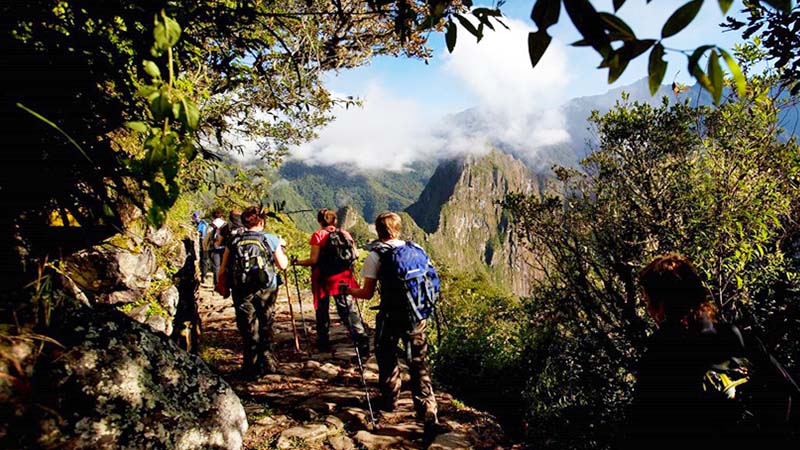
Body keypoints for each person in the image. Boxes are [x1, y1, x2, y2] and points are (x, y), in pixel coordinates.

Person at [624, 253, 749, 448]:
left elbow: (644, 426)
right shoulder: (730, 334)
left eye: (648, 299)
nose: (648, 307)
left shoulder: (661, 353)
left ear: (661, 304)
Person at [344, 211, 439, 432]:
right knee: (418, 361)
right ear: (399, 228)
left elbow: (367, 293)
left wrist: (348, 290)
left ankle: (390, 400)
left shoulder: (375, 256)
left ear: (378, 231)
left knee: (386, 355)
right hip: (417, 315)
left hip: (390, 316)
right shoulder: (417, 249)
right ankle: (428, 410)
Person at [216, 206, 288, 377]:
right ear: (262, 221)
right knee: (266, 323)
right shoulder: (270, 239)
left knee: (248, 326)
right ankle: (268, 362)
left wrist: (222, 284)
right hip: (266, 288)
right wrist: (281, 247)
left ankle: (251, 366)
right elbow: (283, 265)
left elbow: (223, 268)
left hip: (241, 289)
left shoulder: (234, 240)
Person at [293, 208, 368, 355]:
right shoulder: (345, 234)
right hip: (342, 278)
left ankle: (323, 341)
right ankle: (361, 338)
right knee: (346, 309)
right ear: (335, 220)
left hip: (323, 278)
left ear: (320, 221)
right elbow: (356, 254)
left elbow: (313, 260)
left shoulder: (318, 235)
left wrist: (298, 262)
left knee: (322, 309)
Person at [206, 209, 227, 288]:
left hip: (218, 248)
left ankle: (218, 284)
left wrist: (206, 248)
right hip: (221, 248)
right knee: (220, 266)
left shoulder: (215, 226)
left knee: (218, 266)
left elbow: (207, 238)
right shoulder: (223, 226)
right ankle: (220, 284)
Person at [192, 211, 209, 280]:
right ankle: (203, 274)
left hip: (203, 241)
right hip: (204, 242)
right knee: (203, 259)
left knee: (203, 258)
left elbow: (200, 232)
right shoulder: (203, 223)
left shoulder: (202, 223)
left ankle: (203, 275)